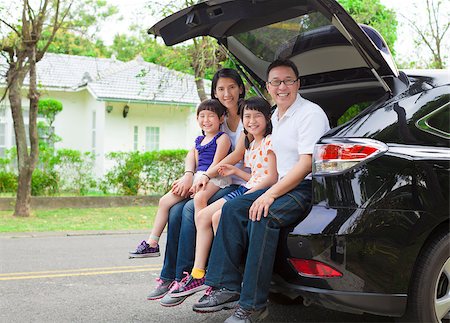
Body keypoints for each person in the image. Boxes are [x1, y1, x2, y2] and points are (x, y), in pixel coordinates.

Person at [191, 59, 331, 322]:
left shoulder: (310, 114)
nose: (282, 86)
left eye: (288, 80)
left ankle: (254, 306)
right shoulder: (276, 116)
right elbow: (274, 164)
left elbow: (305, 164)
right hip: (280, 185)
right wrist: (262, 188)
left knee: (261, 215)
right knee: (232, 208)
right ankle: (227, 286)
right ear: (268, 86)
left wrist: (270, 194)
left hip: (304, 187)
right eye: (275, 82)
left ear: (297, 84)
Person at [145, 68, 249, 307]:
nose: (227, 93)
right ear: (214, 92)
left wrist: (205, 175)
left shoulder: (248, 115)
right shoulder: (215, 116)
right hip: (211, 179)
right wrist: (188, 175)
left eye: (232, 87)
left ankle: (189, 275)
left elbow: (237, 155)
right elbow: (196, 150)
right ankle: (170, 275)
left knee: (191, 208)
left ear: (240, 88)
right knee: (174, 209)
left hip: (236, 181)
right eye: (221, 89)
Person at [167, 97, 278, 300]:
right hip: (247, 187)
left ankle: (221, 273)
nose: (252, 121)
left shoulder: (270, 142)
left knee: (216, 217)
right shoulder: (250, 145)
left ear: (268, 118)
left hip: (255, 191)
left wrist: (251, 189)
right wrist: (235, 170)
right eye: (247, 117)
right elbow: (254, 176)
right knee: (204, 217)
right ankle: (199, 273)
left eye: (257, 116)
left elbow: (271, 177)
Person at [129, 98, 231, 258]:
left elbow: (217, 164)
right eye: (202, 116)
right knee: (164, 201)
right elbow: (195, 163)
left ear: (221, 118)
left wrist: (200, 180)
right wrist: (189, 179)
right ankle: (152, 243)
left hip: (215, 177)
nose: (206, 120)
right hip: (198, 177)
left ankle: (202, 240)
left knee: (200, 198)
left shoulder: (222, 138)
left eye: (211, 116)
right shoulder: (199, 140)